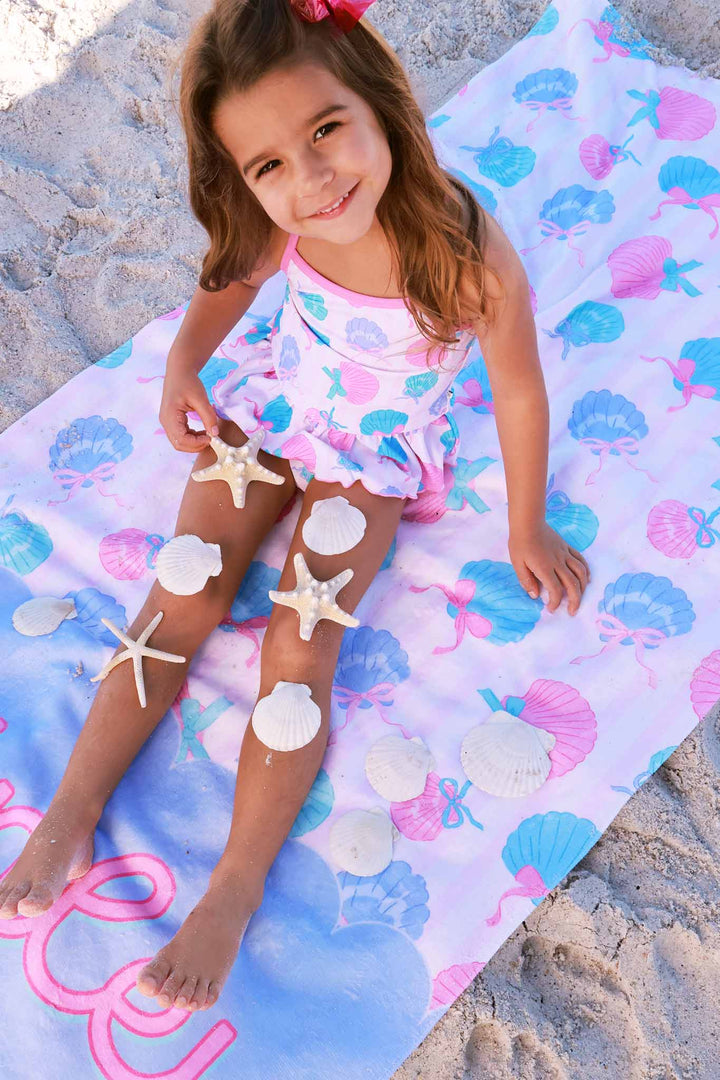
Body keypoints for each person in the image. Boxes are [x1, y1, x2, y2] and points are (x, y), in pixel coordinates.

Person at [0, 0, 591, 1013]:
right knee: (179, 590)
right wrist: (185, 359)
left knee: (295, 653)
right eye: (270, 165)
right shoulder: (286, 226)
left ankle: (232, 888)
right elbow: (234, 271)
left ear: (381, 102)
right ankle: (72, 810)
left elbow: (524, 387)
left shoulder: (462, 250)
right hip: (274, 408)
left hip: (370, 455)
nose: (312, 180)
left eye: (326, 129)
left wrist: (525, 522)